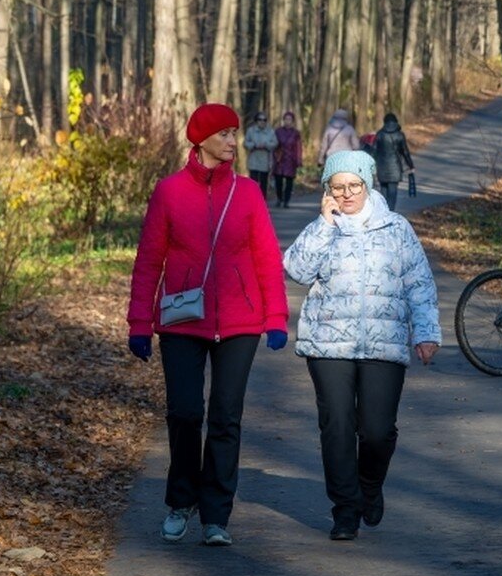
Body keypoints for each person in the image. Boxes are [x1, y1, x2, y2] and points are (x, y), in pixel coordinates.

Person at [126, 103, 290, 547]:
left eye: (235, 133)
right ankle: (181, 501)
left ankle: (216, 515)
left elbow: (267, 260)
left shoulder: (250, 193)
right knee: (184, 413)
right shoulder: (169, 192)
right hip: (182, 320)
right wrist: (140, 321)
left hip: (240, 322)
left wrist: (275, 317)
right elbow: (148, 263)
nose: (233, 142)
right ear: (199, 140)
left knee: (225, 416)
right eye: (224, 135)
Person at [282, 150, 441, 541]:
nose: (347, 194)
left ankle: (369, 483)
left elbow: (418, 282)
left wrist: (426, 332)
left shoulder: (396, 229)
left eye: (354, 186)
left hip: (383, 346)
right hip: (327, 346)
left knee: (377, 431)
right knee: (337, 427)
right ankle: (346, 509)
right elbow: (296, 270)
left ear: (368, 185)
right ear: (327, 190)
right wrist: (323, 223)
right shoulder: (323, 227)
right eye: (339, 187)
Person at [372, 112, 415, 211]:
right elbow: (405, 152)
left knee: (383, 190)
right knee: (392, 191)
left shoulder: (380, 134)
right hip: (395, 167)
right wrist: (411, 165)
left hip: (382, 166)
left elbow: (374, 151)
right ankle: (390, 212)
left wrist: (373, 165)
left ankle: (383, 211)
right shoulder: (399, 135)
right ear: (395, 121)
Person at [244, 111, 278, 198]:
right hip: (253, 160)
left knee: (263, 182)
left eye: (264, 120)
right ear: (256, 121)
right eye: (260, 119)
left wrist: (266, 145)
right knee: (253, 182)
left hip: (265, 160)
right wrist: (254, 145)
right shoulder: (250, 131)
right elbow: (245, 143)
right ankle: (252, 200)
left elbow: (275, 143)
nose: (262, 121)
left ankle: (262, 201)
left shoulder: (270, 131)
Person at [273, 110, 303, 208]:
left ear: (293, 121)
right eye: (286, 119)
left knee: (289, 182)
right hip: (280, 159)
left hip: (291, 160)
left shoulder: (296, 133)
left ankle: (286, 201)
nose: (287, 121)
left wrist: (298, 160)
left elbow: (298, 147)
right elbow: (274, 145)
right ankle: (279, 198)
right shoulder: (278, 131)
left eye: (289, 119)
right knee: (278, 181)